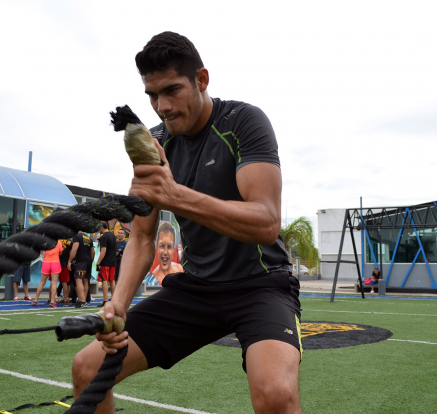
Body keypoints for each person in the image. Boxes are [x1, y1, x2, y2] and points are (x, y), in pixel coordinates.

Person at [72, 32, 301, 414]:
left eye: (172, 90)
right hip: (197, 288)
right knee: (88, 366)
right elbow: (143, 239)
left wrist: (175, 195)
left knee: (276, 393)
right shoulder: (155, 143)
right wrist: (118, 305)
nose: (161, 106)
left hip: (260, 286)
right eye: (151, 95)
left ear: (202, 80)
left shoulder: (244, 121)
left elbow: (266, 222)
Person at [33, 240, 63, 307]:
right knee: (54, 283)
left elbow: (41, 252)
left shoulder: (45, 241)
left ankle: (35, 300)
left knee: (42, 282)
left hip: (46, 262)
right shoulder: (58, 242)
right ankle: (52, 301)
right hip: (55, 262)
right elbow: (60, 253)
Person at [68, 230, 94, 308]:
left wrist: (70, 261)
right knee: (86, 281)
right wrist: (90, 260)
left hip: (80, 261)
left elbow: (74, 249)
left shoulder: (77, 237)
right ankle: (84, 301)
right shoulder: (89, 238)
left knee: (78, 279)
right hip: (88, 261)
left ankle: (82, 301)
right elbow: (92, 251)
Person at [96, 222, 117, 307]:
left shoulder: (104, 237)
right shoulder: (112, 235)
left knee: (104, 280)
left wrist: (98, 262)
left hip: (105, 262)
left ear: (102, 227)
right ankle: (114, 299)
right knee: (112, 280)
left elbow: (103, 251)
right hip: (113, 262)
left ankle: (105, 300)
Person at [57, 238, 73, 306]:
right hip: (65, 263)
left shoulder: (57, 240)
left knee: (53, 282)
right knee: (65, 282)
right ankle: (66, 300)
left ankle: (50, 300)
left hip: (55, 262)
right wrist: (70, 261)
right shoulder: (70, 242)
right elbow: (71, 253)